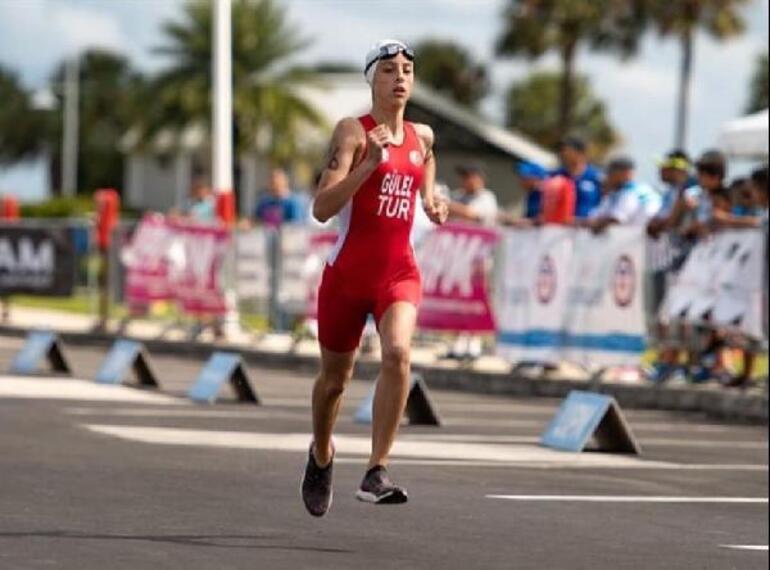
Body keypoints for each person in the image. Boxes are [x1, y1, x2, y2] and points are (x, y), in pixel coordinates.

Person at [301, 39, 448, 517]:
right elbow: (322, 209)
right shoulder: (353, 132)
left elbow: (424, 162)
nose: (400, 77)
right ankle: (322, 453)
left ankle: (376, 469)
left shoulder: (422, 136)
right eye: (388, 70)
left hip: (397, 273)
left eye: (407, 69)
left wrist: (431, 199)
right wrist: (368, 165)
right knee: (333, 383)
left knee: (400, 352)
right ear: (372, 80)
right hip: (346, 276)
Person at [584, 156, 660, 233]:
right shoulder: (617, 192)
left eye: (610, 173)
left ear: (625, 173)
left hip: (641, 238)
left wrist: (592, 224)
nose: (607, 178)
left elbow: (616, 219)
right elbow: (595, 216)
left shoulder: (631, 192)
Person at [554, 136, 603, 219]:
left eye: (565, 150)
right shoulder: (555, 176)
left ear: (580, 153)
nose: (562, 154)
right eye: (560, 150)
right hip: (557, 228)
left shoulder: (597, 177)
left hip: (586, 229)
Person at [447, 162, 498, 226]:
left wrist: (445, 204)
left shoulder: (487, 196)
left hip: (479, 234)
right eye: (463, 176)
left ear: (480, 179)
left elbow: (471, 214)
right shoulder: (456, 194)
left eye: (469, 176)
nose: (465, 180)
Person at [498, 161, 546, 227]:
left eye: (524, 177)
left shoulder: (546, 194)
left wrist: (518, 221)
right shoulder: (530, 194)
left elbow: (544, 219)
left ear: (535, 178)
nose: (520, 181)